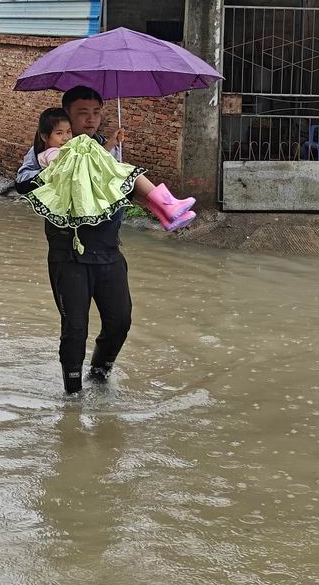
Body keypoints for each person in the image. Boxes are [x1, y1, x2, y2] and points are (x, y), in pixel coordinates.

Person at [15, 87, 193, 396]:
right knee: (75, 328)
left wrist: (114, 162)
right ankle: (73, 397)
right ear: (67, 116)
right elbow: (22, 183)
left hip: (109, 251)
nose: (91, 119)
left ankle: (100, 376)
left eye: (96, 113)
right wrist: (60, 170)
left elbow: (122, 187)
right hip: (69, 254)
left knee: (120, 322)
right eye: (82, 113)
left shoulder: (103, 148)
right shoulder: (50, 149)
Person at [30, 107, 196, 232]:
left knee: (131, 186)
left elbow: (89, 161)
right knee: (129, 173)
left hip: (87, 183)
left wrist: (110, 144)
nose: (66, 138)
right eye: (59, 133)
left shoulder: (64, 150)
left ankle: (165, 216)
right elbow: (76, 164)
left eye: (68, 132)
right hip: (82, 188)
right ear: (45, 137)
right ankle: (169, 205)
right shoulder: (52, 154)